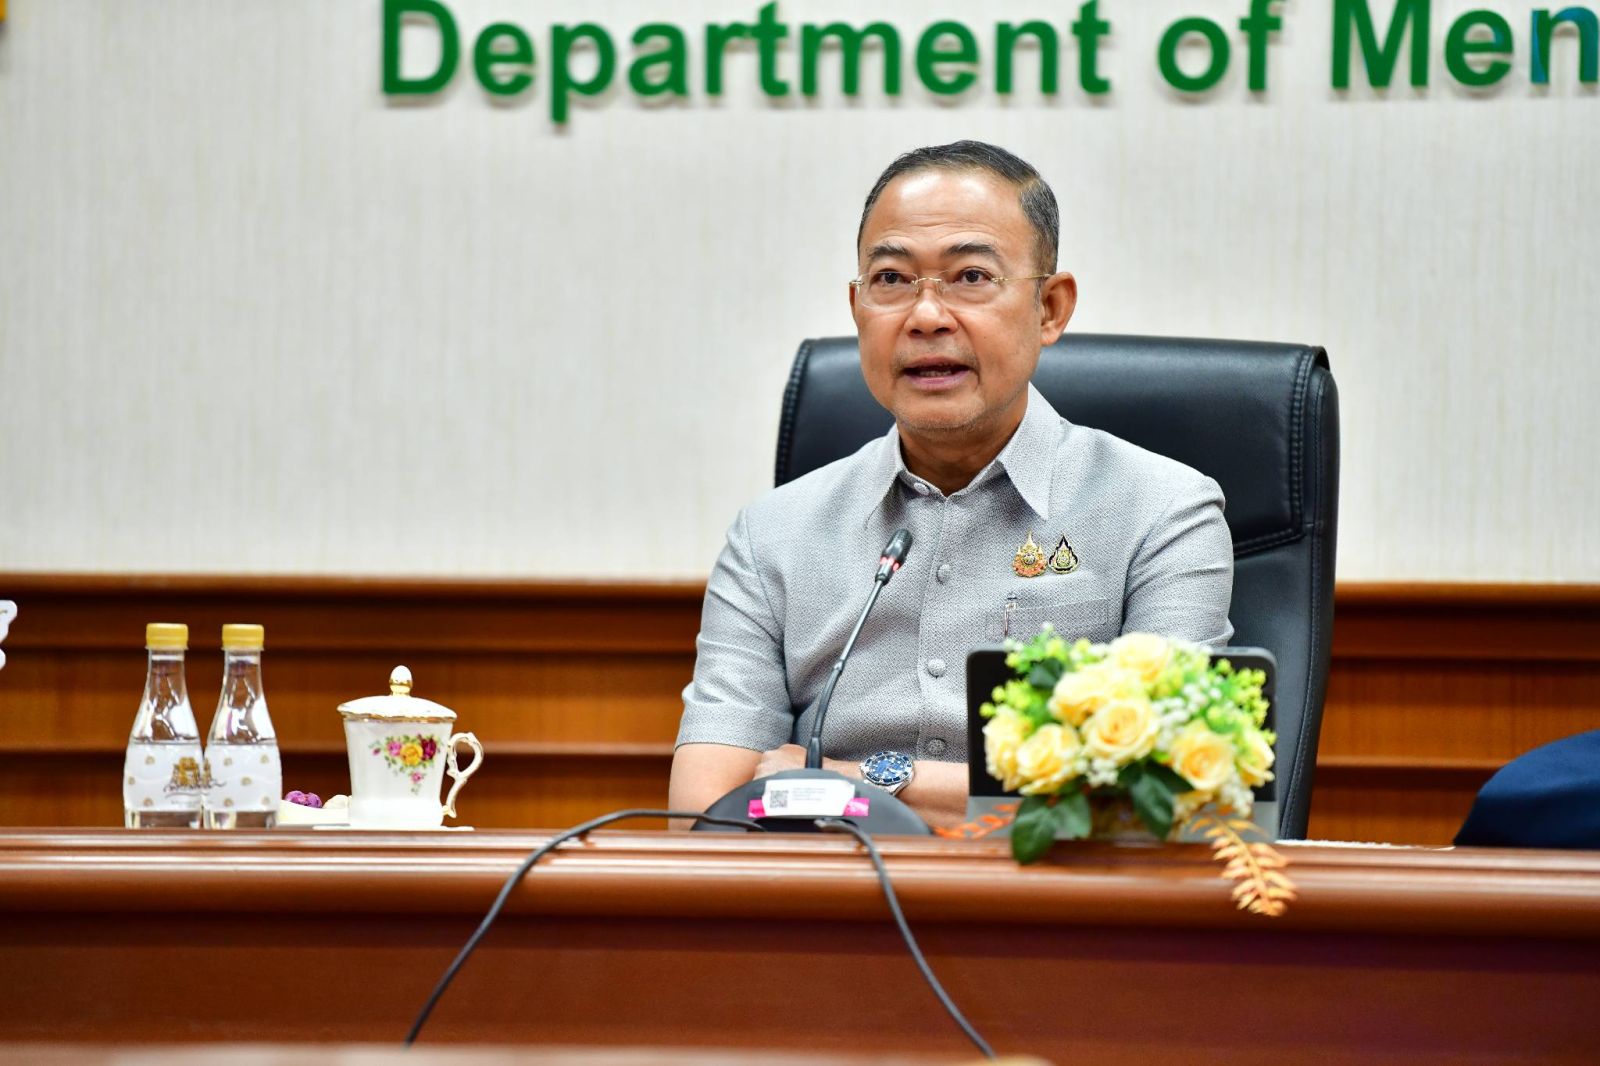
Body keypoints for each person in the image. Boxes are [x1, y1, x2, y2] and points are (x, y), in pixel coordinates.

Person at [669, 141, 1233, 829]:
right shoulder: (772, 536)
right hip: (828, 891)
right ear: (858, 307)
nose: (926, 316)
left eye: (971, 276)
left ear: (1050, 308)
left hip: (1052, 895)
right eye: (891, 279)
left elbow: (1157, 796)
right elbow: (702, 814)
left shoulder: (1163, 512)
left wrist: (857, 780)